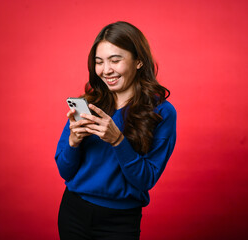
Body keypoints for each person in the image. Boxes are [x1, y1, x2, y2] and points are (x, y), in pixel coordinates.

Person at [55, 21, 177, 240]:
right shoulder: (89, 103)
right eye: (99, 62)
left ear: (138, 61)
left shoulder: (162, 112)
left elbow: (145, 179)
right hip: (73, 212)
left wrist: (118, 141)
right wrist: (73, 142)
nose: (106, 70)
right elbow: (65, 171)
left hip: (119, 221)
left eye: (115, 60)